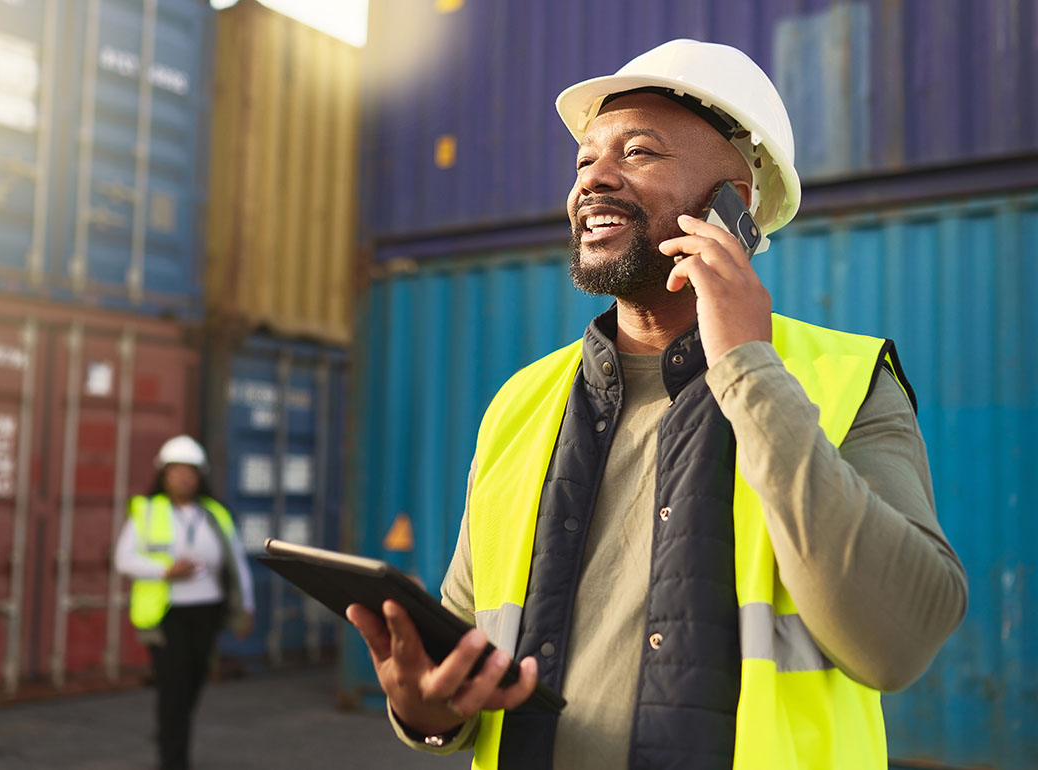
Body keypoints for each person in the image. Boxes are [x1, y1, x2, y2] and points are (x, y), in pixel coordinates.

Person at [347, 39, 968, 770]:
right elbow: (465, 651)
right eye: (584, 162)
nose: (593, 181)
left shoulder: (847, 381)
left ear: (735, 199)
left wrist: (746, 366)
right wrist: (424, 711)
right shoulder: (522, 402)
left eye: (637, 153)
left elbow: (899, 640)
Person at [114, 435, 254, 770]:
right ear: (164, 475)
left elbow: (236, 561)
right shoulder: (146, 512)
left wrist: (246, 607)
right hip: (169, 613)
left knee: (193, 681)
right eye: (176, 471)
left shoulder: (216, 513)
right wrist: (166, 571)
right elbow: (123, 559)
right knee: (174, 688)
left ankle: (170, 736)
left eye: (189, 471)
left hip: (208, 610)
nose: (183, 478)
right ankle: (173, 759)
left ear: (200, 475)